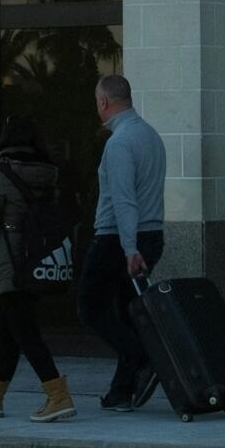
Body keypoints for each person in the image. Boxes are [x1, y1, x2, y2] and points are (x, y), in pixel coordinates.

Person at [0, 114, 76, 423]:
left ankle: (58, 395)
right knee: (9, 333)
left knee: (25, 334)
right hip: (36, 264)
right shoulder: (48, 174)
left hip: (10, 267)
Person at [76, 73, 166, 409]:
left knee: (91, 307)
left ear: (104, 102)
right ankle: (121, 391)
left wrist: (129, 248)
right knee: (128, 314)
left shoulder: (120, 142)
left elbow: (124, 200)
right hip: (151, 232)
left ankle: (140, 356)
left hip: (117, 238)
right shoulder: (151, 136)